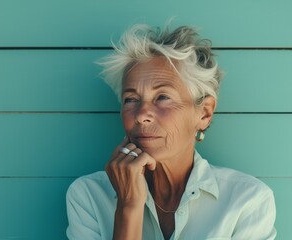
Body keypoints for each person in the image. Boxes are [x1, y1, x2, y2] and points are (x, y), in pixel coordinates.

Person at [66, 24, 276, 240]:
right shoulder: (89, 195)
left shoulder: (247, 201)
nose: (141, 114)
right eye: (131, 99)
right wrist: (129, 206)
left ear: (204, 113)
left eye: (163, 97)